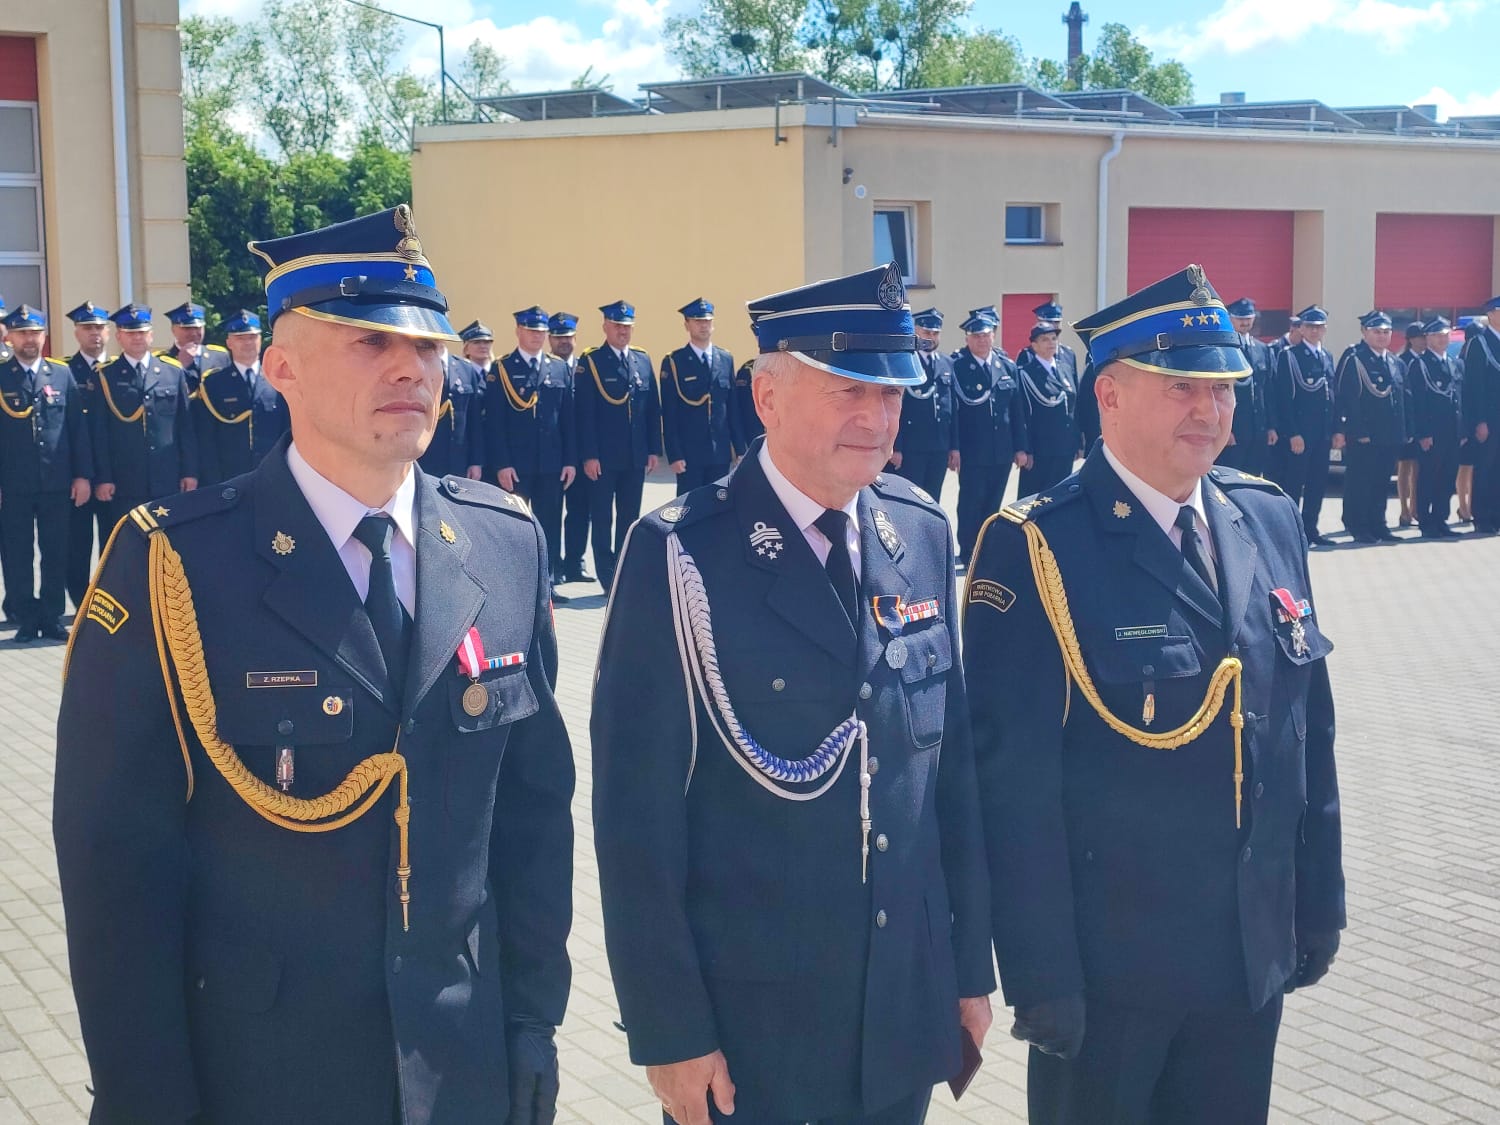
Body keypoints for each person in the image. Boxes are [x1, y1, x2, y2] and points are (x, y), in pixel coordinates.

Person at [55, 204, 575, 1125]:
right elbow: (117, 874)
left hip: (461, 1064)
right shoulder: (173, 564)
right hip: (262, 1075)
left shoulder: (505, 546)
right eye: (371, 341)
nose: (411, 367)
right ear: (280, 367)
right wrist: (147, 1101)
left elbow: (532, 822)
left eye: (427, 344)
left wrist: (533, 1021)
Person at [592, 262, 994, 1125]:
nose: (877, 417)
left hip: (898, 1012)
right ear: (767, 397)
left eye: (891, 393)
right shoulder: (681, 554)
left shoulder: (919, 531)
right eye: (849, 389)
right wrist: (669, 1028)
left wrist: (967, 971)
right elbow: (635, 823)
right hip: (752, 1034)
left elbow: (949, 776)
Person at [964, 264, 1344, 1125]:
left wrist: (1316, 898)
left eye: (1222, 388)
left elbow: (1305, 727)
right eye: (1182, 387)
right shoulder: (1039, 545)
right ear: (1109, 394)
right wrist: (1039, 972)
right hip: (1111, 978)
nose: (1209, 410)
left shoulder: (1267, 517)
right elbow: (1012, 787)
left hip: (1245, 958)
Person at [0, 304, 91, 641]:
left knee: (56, 552)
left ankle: (52, 617)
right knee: (17, 554)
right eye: (22, 333)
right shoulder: (2, 376)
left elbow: (77, 430)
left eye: (35, 333)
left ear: (44, 336)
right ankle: (25, 618)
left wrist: (82, 476)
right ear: (10, 337)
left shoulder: (61, 374)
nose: (29, 339)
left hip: (57, 481)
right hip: (14, 484)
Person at [486, 306, 577, 601]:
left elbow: (568, 419)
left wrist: (570, 460)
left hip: (552, 463)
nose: (537, 336)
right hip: (517, 465)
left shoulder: (558, 368)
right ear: (518, 331)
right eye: (531, 330)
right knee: (516, 526)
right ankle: (516, 586)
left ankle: (546, 585)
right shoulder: (502, 368)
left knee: (550, 524)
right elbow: (495, 422)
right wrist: (502, 463)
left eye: (541, 332)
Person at [574, 299, 661, 590]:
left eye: (627, 326)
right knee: (602, 518)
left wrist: (653, 450)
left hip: (635, 456)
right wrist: (589, 455)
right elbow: (585, 413)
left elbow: (652, 409)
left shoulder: (641, 360)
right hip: (603, 456)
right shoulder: (592, 361)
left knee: (629, 517)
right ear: (605, 327)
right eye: (617, 326)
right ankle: (606, 575)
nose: (623, 331)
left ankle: (624, 571)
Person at [89, 303, 198, 527]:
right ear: (119, 337)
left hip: (166, 477)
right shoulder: (105, 376)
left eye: (141, 332)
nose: (137, 338)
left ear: (151, 335)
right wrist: (104, 477)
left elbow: (185, 428)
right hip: (123, 480)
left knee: (168, 539)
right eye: (130, 333)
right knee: (126, 541)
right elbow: (99, 433)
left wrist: (189, 472)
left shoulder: (172, 372)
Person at [952, 308, 1026, 566]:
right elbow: (953, 413)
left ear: (993, 335)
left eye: (986, 335)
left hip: (1002, 450)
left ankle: (986, 549)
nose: (982, 340)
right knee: (971, 502)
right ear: (967, 339)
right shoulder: (958, 366)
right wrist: (954, 447)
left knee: (994, 502)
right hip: (973, 449)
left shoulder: (1006, 365)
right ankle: (968, 550)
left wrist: (1021, 447)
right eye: (976, 336)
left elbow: (1016, 411)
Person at [193, 309, 289, 485]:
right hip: (229, 476)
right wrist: (213, 480)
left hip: (273, 473)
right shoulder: (214, 383)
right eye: (240, 338)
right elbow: (206, 438)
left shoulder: (278, 378)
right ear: (229, 342)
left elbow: (289, 428)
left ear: (260, 339)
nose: (247, 343)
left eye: (252, 337)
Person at [1333, 311, 1407, 543]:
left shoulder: (1394, 361)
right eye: (1377, 332)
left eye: (1386, 332)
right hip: (1364, 434)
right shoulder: (1355, 358)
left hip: (1389, 434)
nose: (1382, 336)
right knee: (1360, 482)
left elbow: (1402, 400)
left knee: (1381, 482)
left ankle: (1378, 524)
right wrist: (1355, 430)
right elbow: (1345, 397)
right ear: (1364, 332)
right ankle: (1358, 525)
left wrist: (1404, 431)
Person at [1269, 305, 1336, 545]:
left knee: (1318, 483)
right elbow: (1284, 399)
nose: (1315, 331)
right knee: (1294, 484)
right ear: (1301, 329)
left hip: (1322, 433)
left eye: (1319, 327)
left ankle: (1311, 529)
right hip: (1301, 434)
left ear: (1325, 329)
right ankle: (1291, 533)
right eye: (1310, 327)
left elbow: (1332, 396)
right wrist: (1293, 433)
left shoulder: (1326, 356)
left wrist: (1336, 430)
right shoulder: (1290, 355)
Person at [63, 300, 112, 613]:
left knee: (112, 541)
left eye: (99, 328)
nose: (94, 333)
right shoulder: (64, 370)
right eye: (87, 328)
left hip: (113, 474)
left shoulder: (118, 369)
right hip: (77, 472)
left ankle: (110, 597)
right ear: (76, 333)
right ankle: (81, 603)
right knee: (77, 544)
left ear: (108, 332)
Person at [660, 298, 737, 496]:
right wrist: (674, 454)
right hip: (689, 454)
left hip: (719, 453)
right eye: (698, 321)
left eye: (707, 321)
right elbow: (669, 413)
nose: (704, 326)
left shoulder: (725, 359)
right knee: (688, 508)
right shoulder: (675, 361)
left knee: (719, 506)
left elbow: (732, 408)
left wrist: (739, 450)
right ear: (687, 325)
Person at [890, 307, 958, 505]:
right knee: (910, 499)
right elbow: (896, 408)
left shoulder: (947, 363)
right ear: (916, 331)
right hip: (912, 446)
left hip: (939, 446)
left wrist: (954, 447)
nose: (931, 337)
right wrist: (896, 447)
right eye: (927, 332)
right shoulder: (905, 361)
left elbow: (952, 409)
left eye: (935, 333)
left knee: (933, 499)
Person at [549, 311, 594, 583]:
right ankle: (554, 567)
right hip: (557, 454)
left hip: (583, 455)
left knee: (580, 511)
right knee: (552, 514)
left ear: (575, 338)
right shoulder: (548, 369)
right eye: (558, 337)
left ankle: (575, 563)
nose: (564, 341)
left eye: (568, 337)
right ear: (550, 340)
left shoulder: (586, 369)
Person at [1410, 317, 1463, 538]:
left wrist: (1462, 430)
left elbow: (1460, 398)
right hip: (1433, 432)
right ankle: (1426, 521)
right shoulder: (1421, 364)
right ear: (1428, 338)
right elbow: (1418, 402)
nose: (1443, 339)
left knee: (1448, 478)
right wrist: (1423, 433)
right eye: (1437, 336)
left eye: (1445, 335)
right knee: (1428, 478)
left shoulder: (1454, 363)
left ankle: (1441, 519)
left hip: (1453, 431)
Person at [417, 319, 486, 481]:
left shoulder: (465, 368)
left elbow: (474, 420)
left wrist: (476, 461)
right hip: (424, 457)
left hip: (459, 458)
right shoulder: (416, 365)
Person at [1016, 323, 1080, 496]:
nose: (1051, 343)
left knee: (1060, 497)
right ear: (1034, 345)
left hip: (1065, 447)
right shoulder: (1026, 373)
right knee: (1034, 499)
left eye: (1054, 338)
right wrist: (1026, 449)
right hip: (1040, 450)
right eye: (1045, 339)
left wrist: (1078, 442)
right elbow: (1022, 415)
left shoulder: (1065, 368)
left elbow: (1074, 407)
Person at [1222, 298, 1274, 476]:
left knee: (1254, 477)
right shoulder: (1224, 348)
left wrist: (1271, 426)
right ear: (1230, 318)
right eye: (1240, 318)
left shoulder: (1262, 349)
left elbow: (1268, 391)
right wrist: (1226, 430)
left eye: (1248, 318)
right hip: (1235, 430)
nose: (1245, 322)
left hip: (1258, 429)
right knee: (1231, 476)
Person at [1462, 297, 1500, 534]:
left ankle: (1497, 515)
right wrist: (1480, 420)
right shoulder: (1480, 343)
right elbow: (1474, 386)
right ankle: (1483, 517)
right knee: (1485, 467)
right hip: (1489, 418)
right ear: (1491, 315)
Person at [160, 300, 232, 394]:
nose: (193, 333)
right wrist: (181, 365)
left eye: (198, 328)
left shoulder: (220, 356)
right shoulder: (161, 361)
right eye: (187, 328)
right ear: (173, 330)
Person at [1396, 323, 1428, 526]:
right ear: (1411, 339)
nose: (1424, 341)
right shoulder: (1403, 361)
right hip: (1408, 421)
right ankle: (1404, 510)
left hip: (1423, 421)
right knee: (1405, 466)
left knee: (1419, 468)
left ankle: (1416, 508)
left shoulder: (1425, 360)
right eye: (1420, 337)